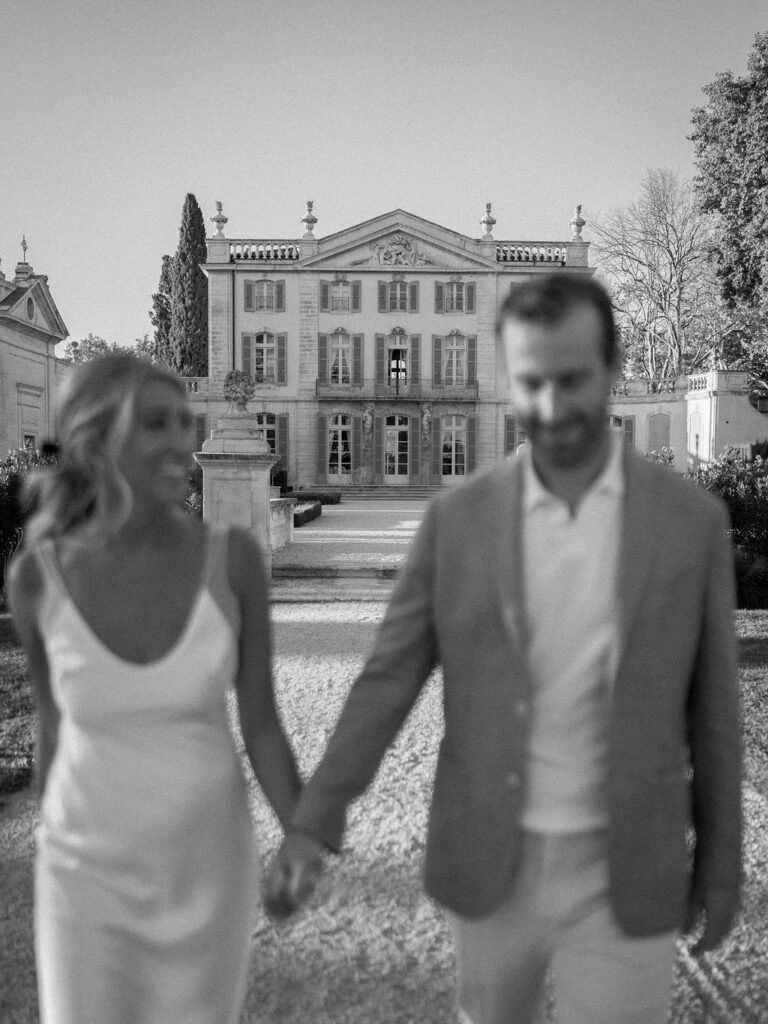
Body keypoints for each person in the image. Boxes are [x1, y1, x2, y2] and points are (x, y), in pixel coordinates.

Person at [264, 274, 743, 1024]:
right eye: (530, 383)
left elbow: (715, 712)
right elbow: (387, 682)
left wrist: (720, 860)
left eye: (572, 380)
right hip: (493, 854)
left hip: (630, 858)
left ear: (613, 372)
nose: (550, 408)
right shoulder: (458, 521)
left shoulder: (691, 522)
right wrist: (313, 819)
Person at [8, 353, 302, 1024]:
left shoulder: (235, 561)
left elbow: (262, 727)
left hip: (205, 870)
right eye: (155, 424)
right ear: (93, 441)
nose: (181, 441)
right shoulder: (36, 580)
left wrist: (301, 834)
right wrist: (36, 846)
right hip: (83, 872)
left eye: (183, 422)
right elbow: (55, 728)